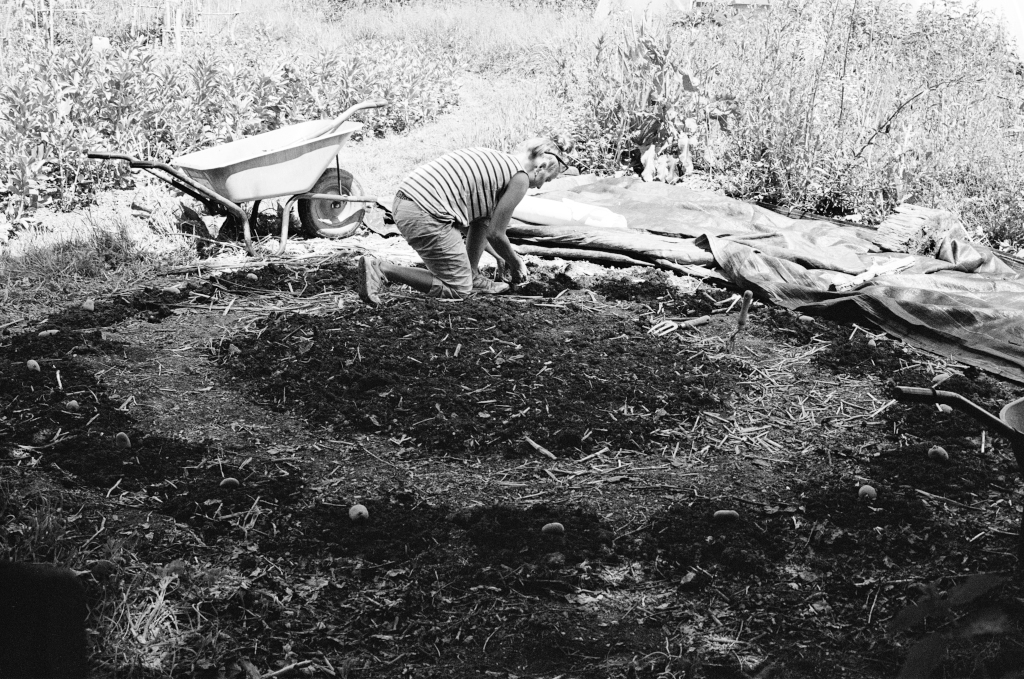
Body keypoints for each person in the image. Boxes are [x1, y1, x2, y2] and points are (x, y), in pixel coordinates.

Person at [357, 137, 571, 305]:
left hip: (406, 202)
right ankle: (382, 269)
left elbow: (481, 225)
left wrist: (499, 255)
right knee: (457, 289)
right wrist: (517, 264)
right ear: (540, 167)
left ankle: (472, 273)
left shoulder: (499, 163)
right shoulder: (521, 178)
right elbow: (496, 234)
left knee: (482, 222)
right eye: (547, 179)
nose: (541, 186)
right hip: (424, 212)